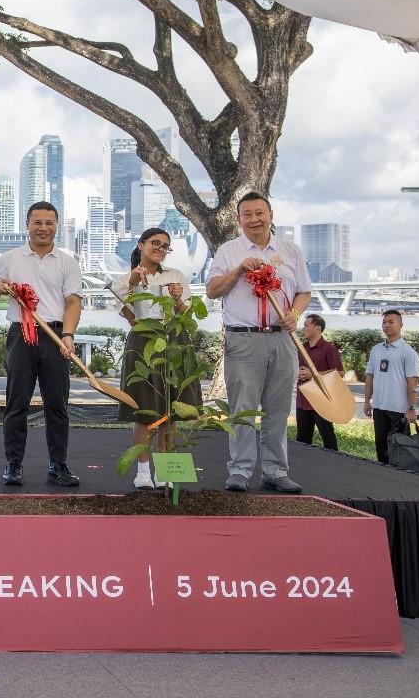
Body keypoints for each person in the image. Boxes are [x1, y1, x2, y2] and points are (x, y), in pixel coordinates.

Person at [205, 192, 311, 493]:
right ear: (239, 219)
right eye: (247, 214)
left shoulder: (291, 251)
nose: (254, 219)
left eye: (259, 213)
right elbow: (212, 290)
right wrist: (239, 270)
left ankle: (276, 471)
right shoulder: (228, 251)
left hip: (282, 339)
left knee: (277, 409)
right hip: (244, 340)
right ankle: (239, 469)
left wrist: (294, 313)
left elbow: (304, 292)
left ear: (271, 215)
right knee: (243, 409)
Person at [0, 201, 82, 488]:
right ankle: (13, 464)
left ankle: (58, 464)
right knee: (17, 403)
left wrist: (68, 334)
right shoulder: (10, 258)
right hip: (20, 335)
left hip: (55, 336)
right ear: (27, 224)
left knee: (57, 404)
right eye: (37, 222)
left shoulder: (67, 261)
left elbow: (73, 301)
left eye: (49, 222)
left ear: (56, 226)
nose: (43, 228)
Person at [111, 227, 200, 489]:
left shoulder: (176, 276)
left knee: (170, 410)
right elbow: (129, 315)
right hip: (143, 340)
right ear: (141, 245)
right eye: (154, 243)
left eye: (165, 246)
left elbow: (187, 315)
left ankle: (165, 471)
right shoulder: (124, 280)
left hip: (174, 341)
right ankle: (142, 471)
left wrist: (177, 298)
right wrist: (133, 284)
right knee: (144, 409)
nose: (159, 249)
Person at [364, 310, 419, 465]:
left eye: (391, 322)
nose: (386, 325)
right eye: (384, 322)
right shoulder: (376, 350)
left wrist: (411, 408)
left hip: (399, 410)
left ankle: (399, 483)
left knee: (399, 450)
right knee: (381, 448)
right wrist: (367, 401)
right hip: (380, 407)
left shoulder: (408, 353)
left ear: (401, 325)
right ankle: (382, 480)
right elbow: (370, 376)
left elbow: (412, 383)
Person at [296, 314, 343, 451]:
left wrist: (312, 375)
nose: (303, 328)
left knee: (329, 441)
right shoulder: (301, 348)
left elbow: (338, 374)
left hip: (321, 402)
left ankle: (335, 467)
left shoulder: (329, 349)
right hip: (302, 401)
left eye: (306, 325)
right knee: (302, 441)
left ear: (317, 328)